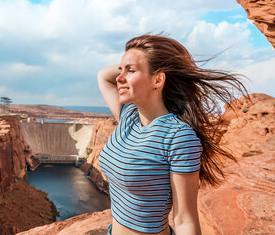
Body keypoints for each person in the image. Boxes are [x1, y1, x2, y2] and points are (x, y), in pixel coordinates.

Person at [97, 35, 248, 235]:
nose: (119, 78)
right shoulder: (128, 116)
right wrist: (135, 62)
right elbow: (103, 76)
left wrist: (150, 62)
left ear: (158, 79)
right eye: (120, 70)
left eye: (130, 71)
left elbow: (185, 219)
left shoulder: (178, 137)